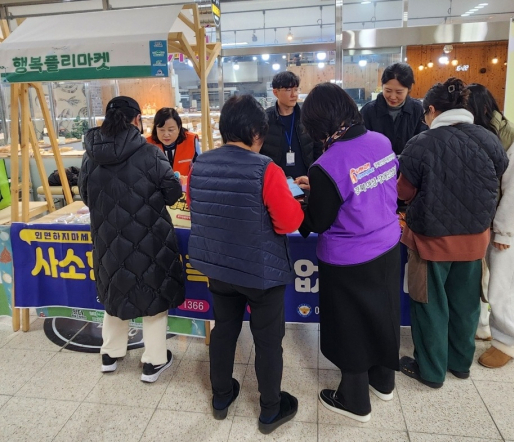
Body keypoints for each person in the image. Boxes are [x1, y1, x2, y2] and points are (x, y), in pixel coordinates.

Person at [188, 95, 303, 434]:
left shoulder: (200, 164)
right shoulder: (266, 168)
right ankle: (270, 410)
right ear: (255, 131)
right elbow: (287, 222)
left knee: (224, 330)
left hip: (219, 267)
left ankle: (221, 397)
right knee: (268, 340)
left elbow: (196, 206)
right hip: (260, 271)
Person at [297, 83, 401, 423]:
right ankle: (383, 382)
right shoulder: (382, 142)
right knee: (383, 314)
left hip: (348, 258)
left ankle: (354, 400)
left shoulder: (325, 165)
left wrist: (302, 203)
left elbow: (317, 221)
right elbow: (368, 183)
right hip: (387, 245)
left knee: (349, 326)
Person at [397, 78, 508, 388]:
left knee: (430, 304)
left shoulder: (422, 143)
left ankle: (431, 371)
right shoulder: (488, 138)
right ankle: (460, 364)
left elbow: (404, 192)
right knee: (466, 305)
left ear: (431, 110)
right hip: (475, 241)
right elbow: (497, 174)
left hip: (431, 242)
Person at [79, 96, 185, 383]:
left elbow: (86, 196)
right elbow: (173, 193)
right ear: (137, 120)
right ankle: (153, 361)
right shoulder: (150, 154)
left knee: (115, 292)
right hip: (150, 238)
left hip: (107, 240)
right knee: (154, 296)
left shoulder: (90, 155)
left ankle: (110, 355)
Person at [466, 83, 514, 368]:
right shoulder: (481, 132)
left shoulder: (513, 138)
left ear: (483, 109)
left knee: (503, 282)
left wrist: (506, 232)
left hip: (510, 222)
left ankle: (507, 342)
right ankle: (482, 326)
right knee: (480, 277)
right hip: (484, 220)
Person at [260, 71, 323, 183]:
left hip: (305, 181)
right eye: (288, 90)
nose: (294, 94)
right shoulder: (264, 119)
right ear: (275, 92)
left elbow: (318, 148)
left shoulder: (307, 116)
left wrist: (315, 176)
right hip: (276, 183)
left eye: (296, 89)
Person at [360, 63, 428, 156]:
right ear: (382, 86)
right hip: (377, 166)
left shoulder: (418, 109)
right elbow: (362, 144)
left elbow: (422, 143)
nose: (392, 97)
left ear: (409, 89)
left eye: (399, 92)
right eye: (387, 90)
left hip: (408, 166)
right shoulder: (368, 111)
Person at [147, 107, 200, 178]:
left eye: (171, 130)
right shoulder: (147, 144)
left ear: (179, 128)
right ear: (155, 129)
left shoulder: (191, 141)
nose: (166, 134)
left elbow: (199, 169)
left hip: (184, 187)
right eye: (161, 130)